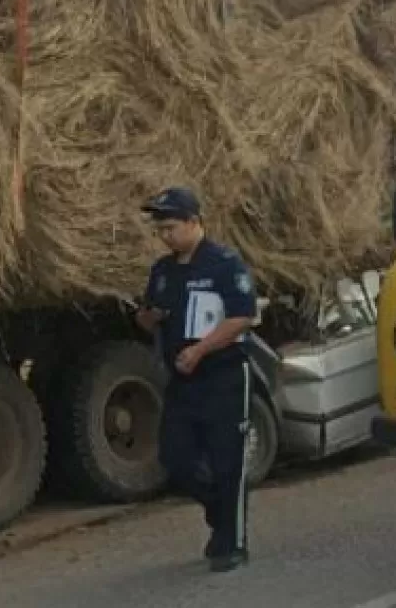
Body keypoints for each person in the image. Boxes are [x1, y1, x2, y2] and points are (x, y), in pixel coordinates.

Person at [136, 187, 258, 573]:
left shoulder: (224, 264)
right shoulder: (163, 271)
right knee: (177, 457)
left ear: (194, 222)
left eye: (171, 227)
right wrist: (148, 318)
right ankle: (218, 514)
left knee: (227, 464)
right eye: (160, 230)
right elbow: (148, 315)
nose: (165, 236)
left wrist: (200, 350)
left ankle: (233, 542)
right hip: (183, 381)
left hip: (222, 375)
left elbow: (242, 317)